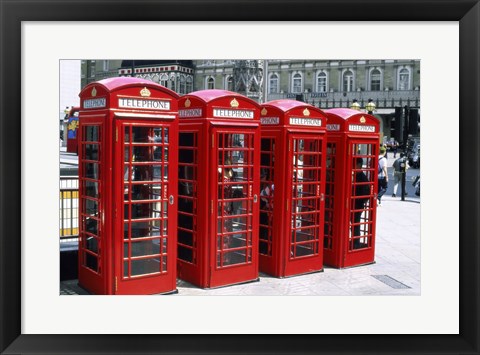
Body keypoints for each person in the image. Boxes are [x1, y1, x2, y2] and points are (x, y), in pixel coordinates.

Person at [352, 158, 370, 249]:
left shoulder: (362, 178)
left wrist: (360, 201)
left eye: (353, 164)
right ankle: (354, 242)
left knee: (355, 225)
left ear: (358, 165)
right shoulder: (354, 175)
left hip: (357, 205)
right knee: (354, 224)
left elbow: (366, 193)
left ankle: (356, 243)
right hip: (352, 204)